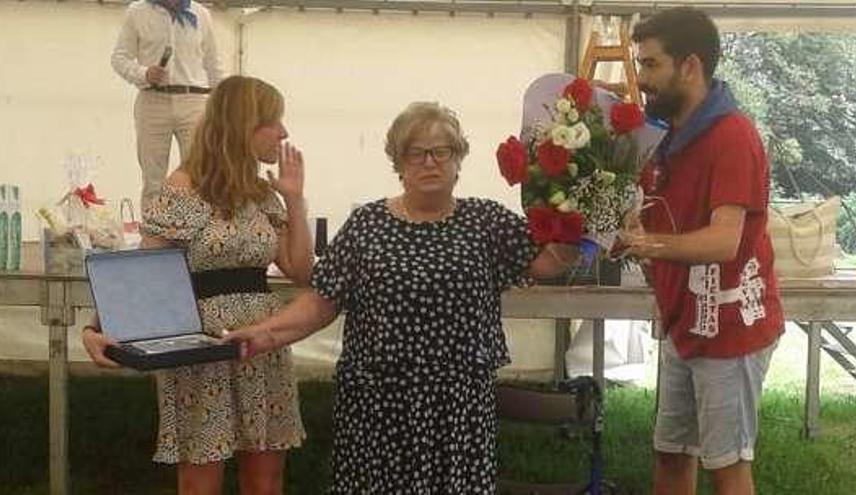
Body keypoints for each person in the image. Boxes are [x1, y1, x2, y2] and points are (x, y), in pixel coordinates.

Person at [226, 101, 580, 493]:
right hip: (378, 403)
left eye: (441, 151)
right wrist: (266, 333)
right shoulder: (367, 225)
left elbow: (547, 263)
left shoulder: (487, 222)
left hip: (457, 406)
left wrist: (580, 217)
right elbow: (322, 300)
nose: (429, 162)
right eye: (416, 152)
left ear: (458, 159)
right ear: (399, 162)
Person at [82, 75, 311, 495]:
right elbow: (146, 277)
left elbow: (300, 270)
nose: (284, 133)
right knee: (200, 478)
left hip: (261, 339)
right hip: (200, 340)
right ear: (244, 124)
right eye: (273, 121)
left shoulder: (263, 194)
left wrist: (295, 198)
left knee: (265, 479)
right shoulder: (182, 188)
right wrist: (95, 328)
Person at [619, 8, 784, 495]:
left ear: (689, 66)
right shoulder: (662, 135)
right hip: (682, 325)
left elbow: (723, 240)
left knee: (726, 467)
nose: (641, 79)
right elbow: (652, 216)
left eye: (651, 65)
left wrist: (646, 243)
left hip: (730, 330)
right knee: (671, 456)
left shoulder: (733, 135)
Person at [111, 0, 224, 210]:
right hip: (153, 99)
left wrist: (225, 106)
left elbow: (213, 65)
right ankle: (154, 238)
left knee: (199, 173)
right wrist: (144, 73)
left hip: (194, 100)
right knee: (153, 178)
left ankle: (195, 234)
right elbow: (119, 58)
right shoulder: (137, 12)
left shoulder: (202, 14)